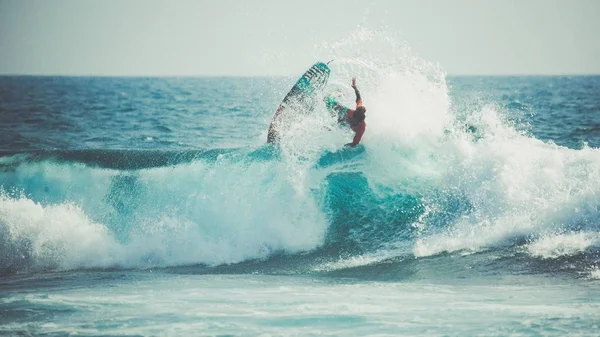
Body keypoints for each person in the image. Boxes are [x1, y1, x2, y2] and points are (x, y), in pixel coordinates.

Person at [335, 78, 366, 147]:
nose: (353, 122)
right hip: (345, 113)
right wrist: (354, 87)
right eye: (353, 119)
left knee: (340, 124)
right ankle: (334, 94)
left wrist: (344, 146)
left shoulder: (361, 130)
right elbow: (358, 97)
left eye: (355, 122)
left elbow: (354, 144)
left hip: (346, 124)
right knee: (329, 102)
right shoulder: (358, 109)